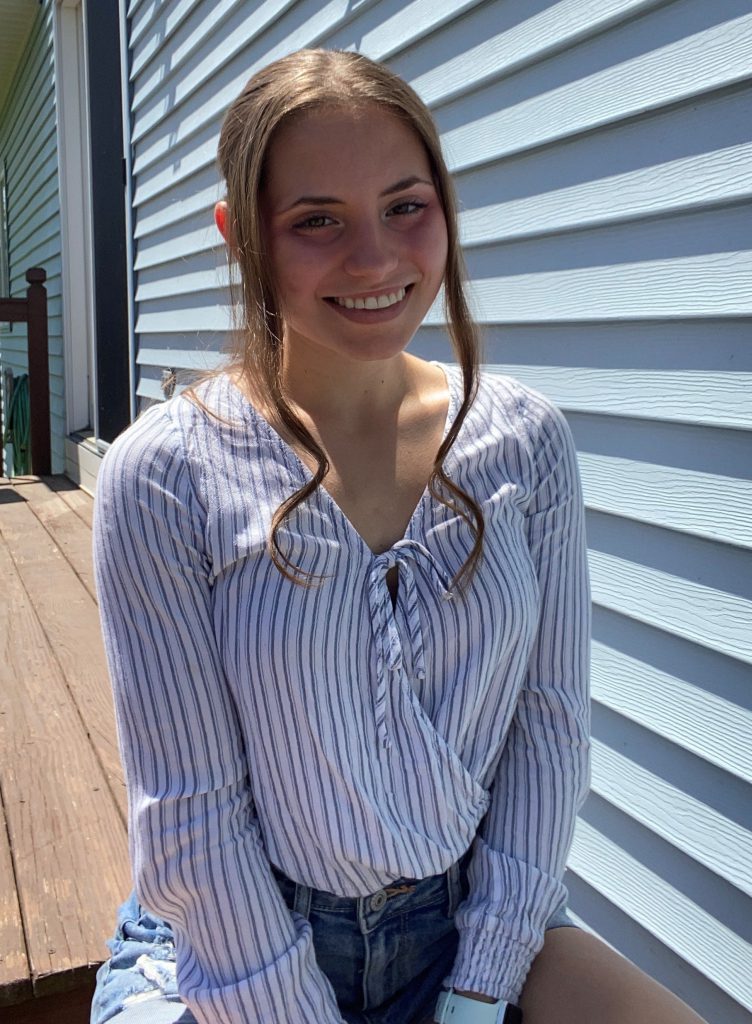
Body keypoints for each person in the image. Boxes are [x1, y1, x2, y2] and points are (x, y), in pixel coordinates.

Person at [91, 48, 707, 1024]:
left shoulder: (524, 441)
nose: (375, 259)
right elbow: (194, 820)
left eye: (405, 206)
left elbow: (548, 734)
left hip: (467, 927)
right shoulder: (164, 474)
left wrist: (476, 989)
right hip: (235, 946)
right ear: (239, 237)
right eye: (317, 221)